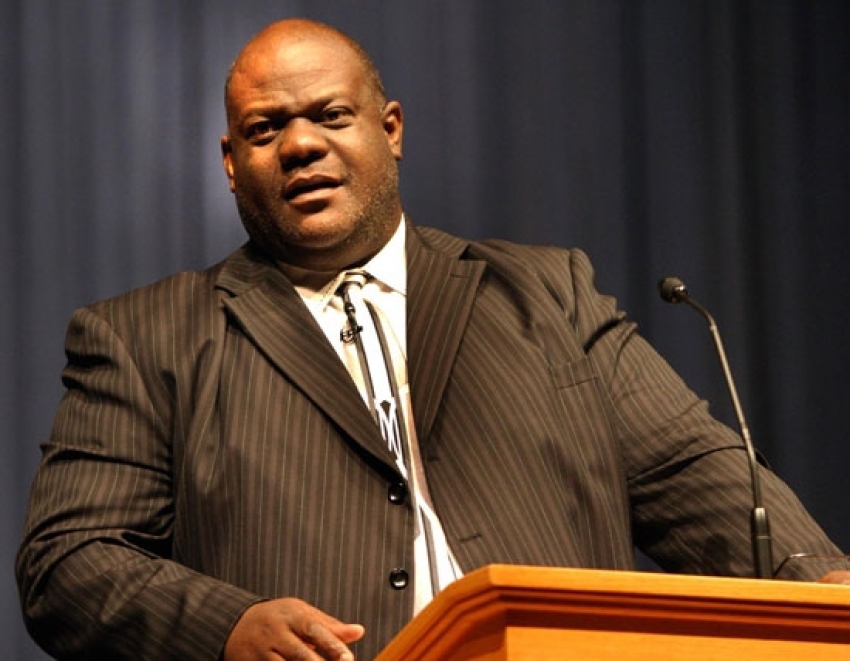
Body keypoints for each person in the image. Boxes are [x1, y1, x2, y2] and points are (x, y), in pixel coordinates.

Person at [15, 17, 850, 661]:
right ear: (232, 164)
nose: (301, 143)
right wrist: (225, 625)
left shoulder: (545, 291)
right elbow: (69, 561)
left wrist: (818, 581)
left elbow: (687, 471)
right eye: (266, 130)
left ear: (392, 129)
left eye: (329, 115)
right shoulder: (144, 337)